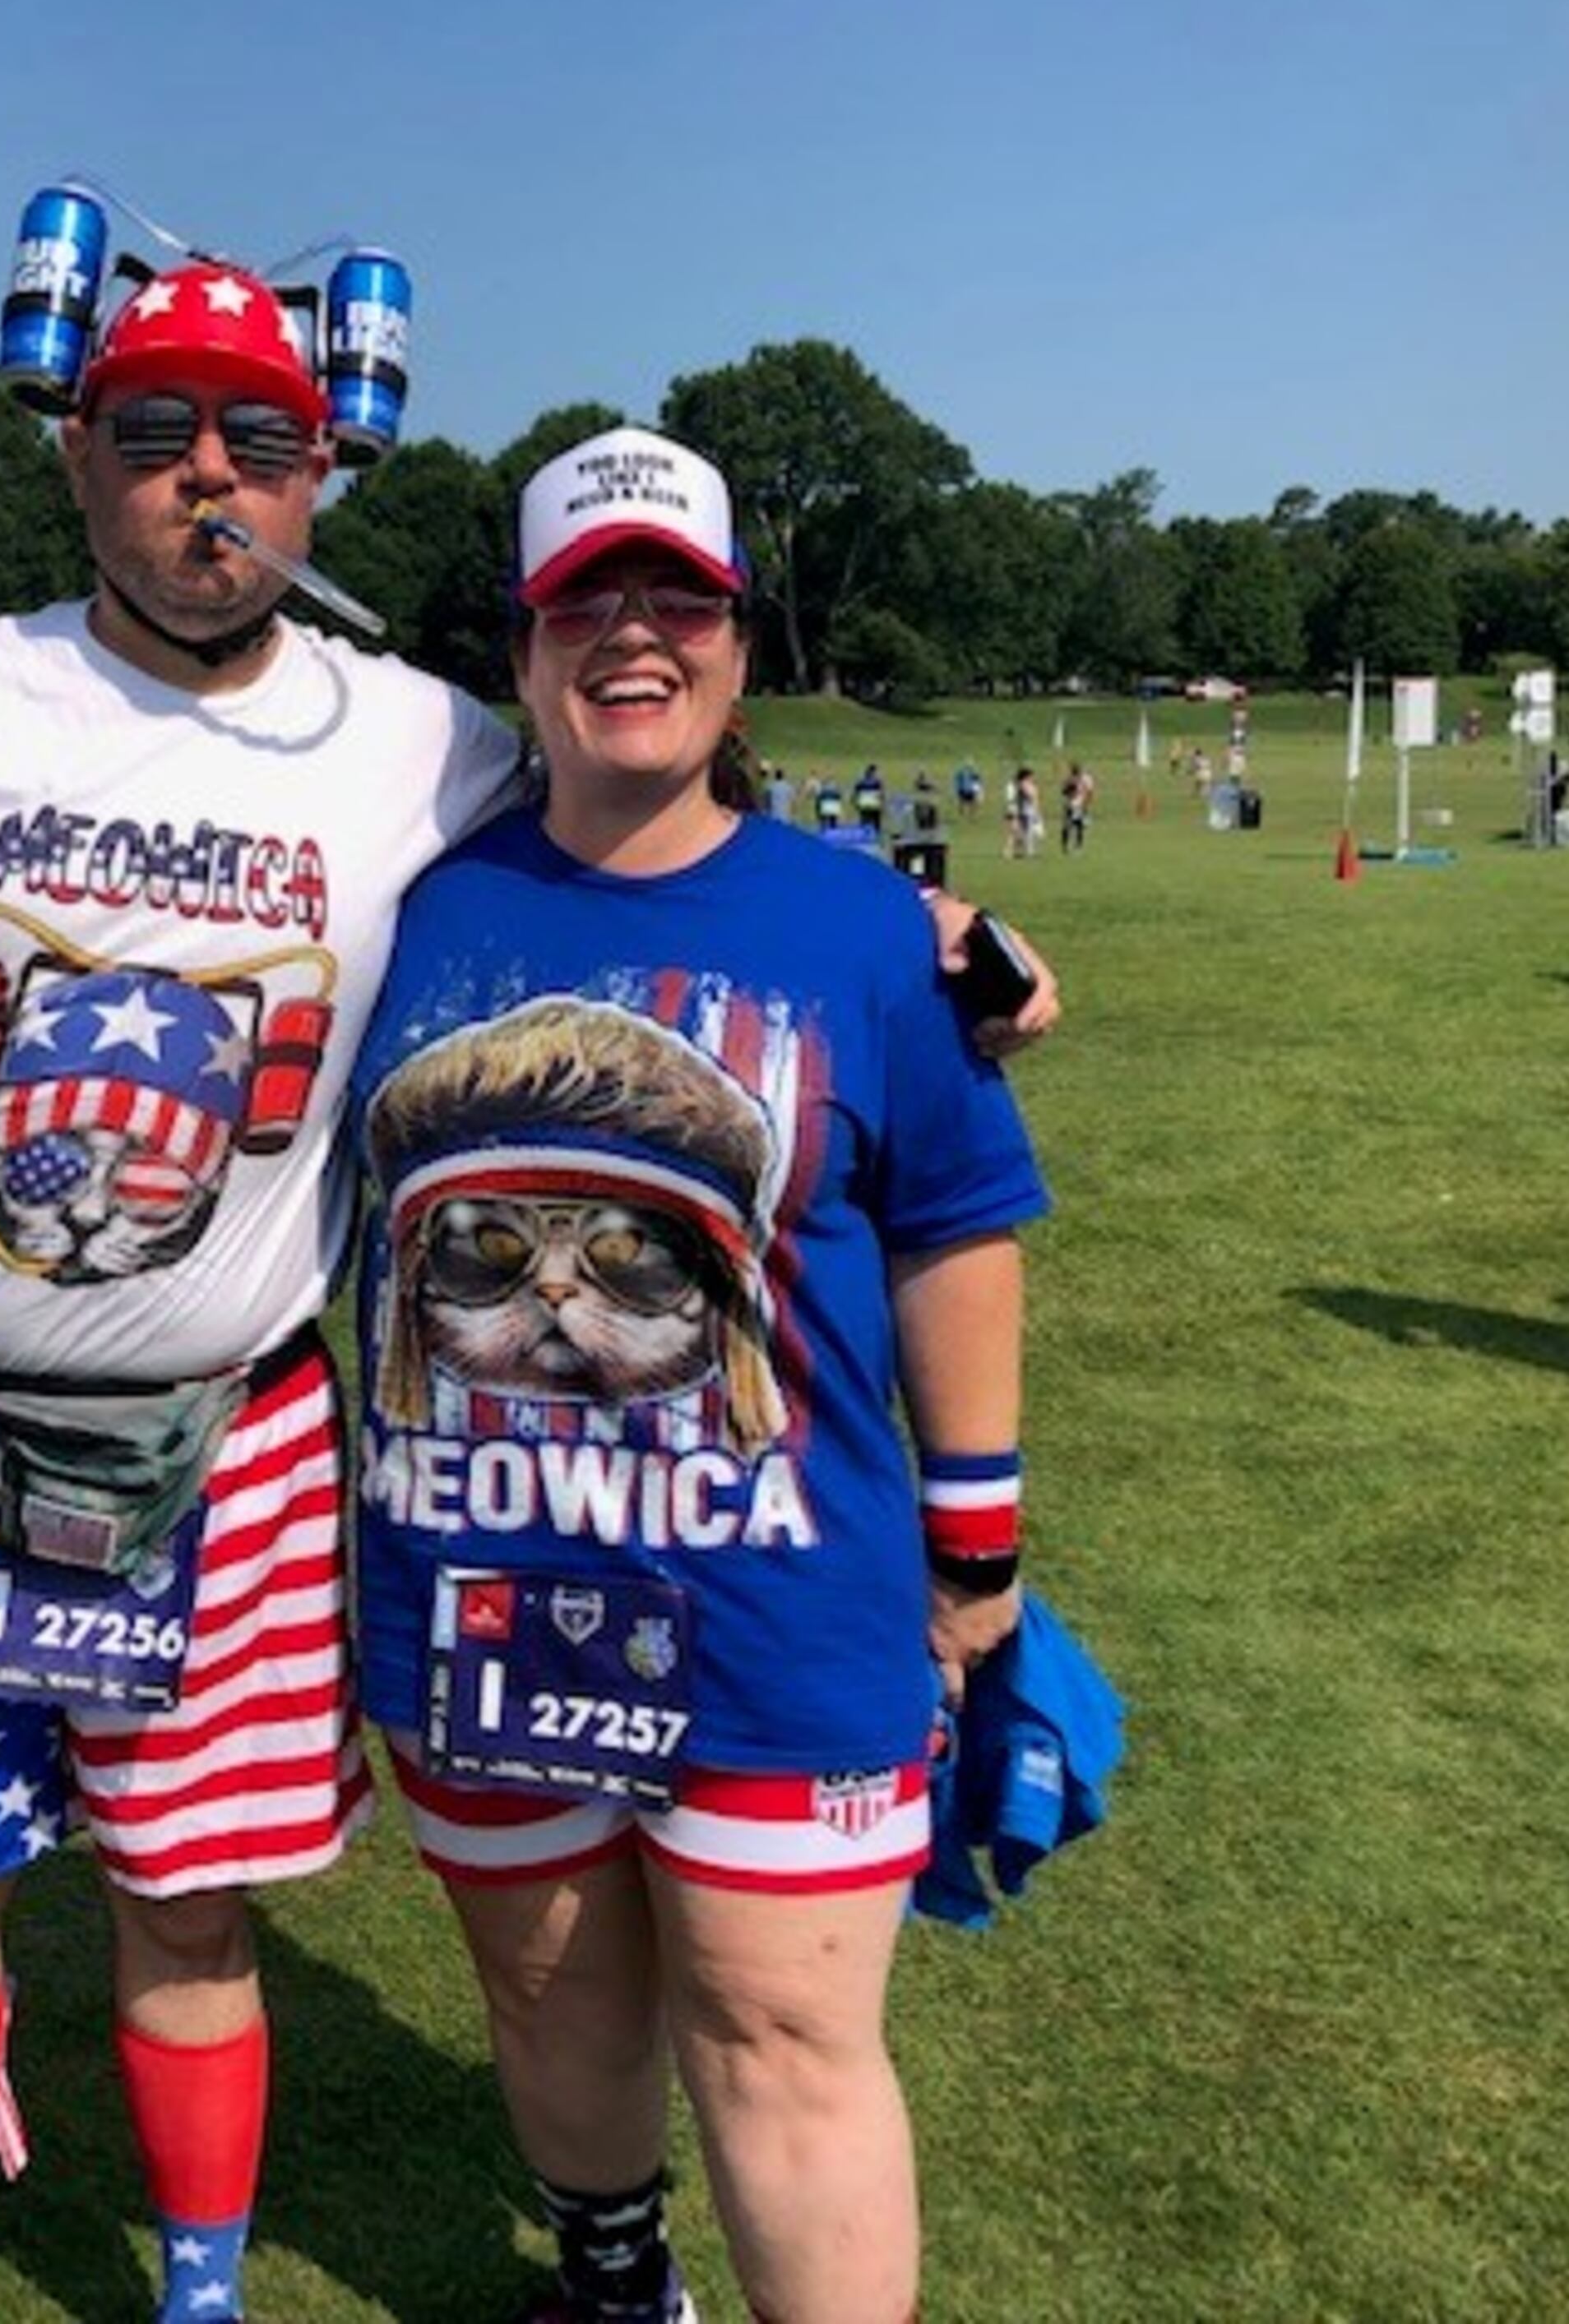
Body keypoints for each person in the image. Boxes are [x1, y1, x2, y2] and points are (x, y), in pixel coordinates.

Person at [0, 271, 1063, 2323]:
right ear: (77, 453)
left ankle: (202, 2297)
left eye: (253, 440)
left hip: (243, 1435)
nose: (206, 484)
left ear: (324, 472)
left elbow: (690, 849)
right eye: (153, 435)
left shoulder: (419, 745)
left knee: (195, 1908)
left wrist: (924, 928)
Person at [347, 427, 1049, 2320]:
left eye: (677, 597)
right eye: (589, 599)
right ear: (525, 647)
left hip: (773, 1592)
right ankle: (611, 2269)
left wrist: (974, 1548)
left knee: (778, 2033)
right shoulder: (408, 906)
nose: (632, 633)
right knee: (552, 1982)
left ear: (734, 645)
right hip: (476, 1575)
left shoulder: (856, 925)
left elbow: (955, 1229)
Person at [1061, 759, 1096, 853]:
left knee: (1079, 825)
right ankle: (1066, 846)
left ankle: (1077, 846)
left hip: (1079, 805)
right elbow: (1064, 792)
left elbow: (1090, 792)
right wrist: (1070, 790)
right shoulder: (1069, 779)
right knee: (1068, 825)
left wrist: (1086, 804)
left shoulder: (1085, 779)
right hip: (1070, 804)